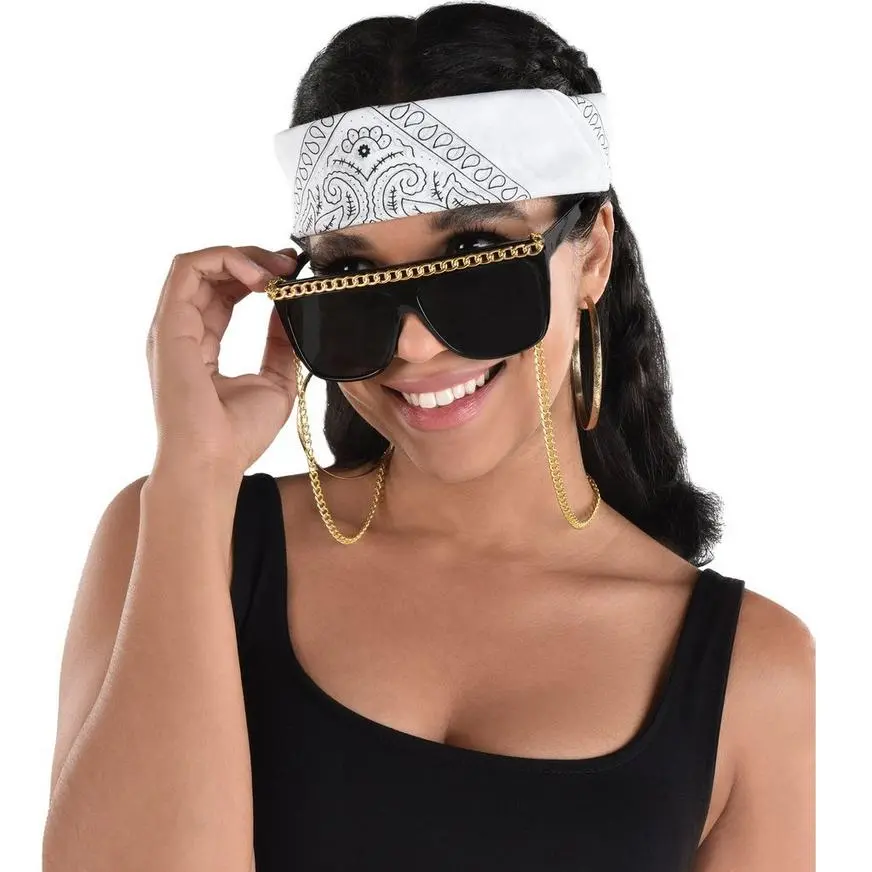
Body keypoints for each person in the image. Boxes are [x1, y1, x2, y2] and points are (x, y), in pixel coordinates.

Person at [42, 4, 815, 871]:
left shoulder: (753, 670)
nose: (413, 344)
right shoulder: (181, 536)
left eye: (478, 256)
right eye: (352, 274)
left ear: (591, 256)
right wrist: (193, 474)